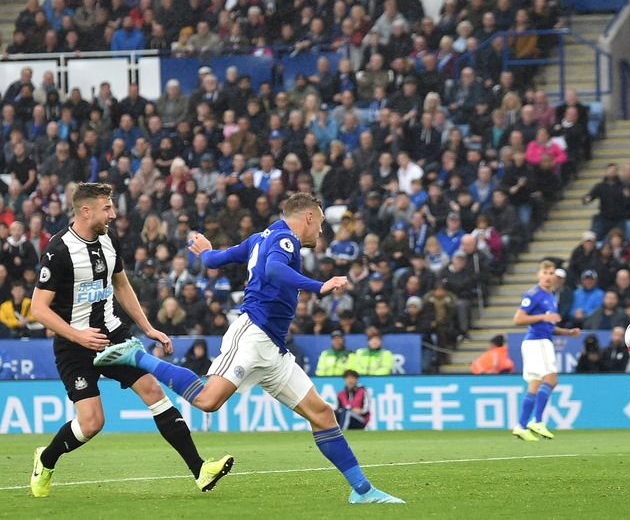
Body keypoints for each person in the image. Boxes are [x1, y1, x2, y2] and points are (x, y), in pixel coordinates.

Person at [94, 192, 403, 504]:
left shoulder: (260, 237)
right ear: (308, 216)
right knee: (207, 400)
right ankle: (138, 356)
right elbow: (274, 271)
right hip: (252, 335)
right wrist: (319, 286)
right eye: (321, 222)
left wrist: (205, 253)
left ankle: (362, 491)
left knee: (322, 413)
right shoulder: (286, 240)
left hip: (274, 349)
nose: (321, 230)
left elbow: (217, 260)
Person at [29, 183, 232, 498]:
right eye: (107, 208)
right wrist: (78, 334)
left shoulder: (110, 240)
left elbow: (121, 284)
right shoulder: (59, 251)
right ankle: (46, 458)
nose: (113, 213)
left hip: (114, 336)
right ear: (86, 211)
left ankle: (200, 470)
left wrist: (147, 327)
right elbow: (37, 309)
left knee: (153, 389)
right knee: (92, 423)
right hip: (74, 344)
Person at [511, 260, 580, 441]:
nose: (549, 276)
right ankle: (538, 421)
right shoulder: (534, 294)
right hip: (537, 342)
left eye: (551, 273)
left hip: (540, 340)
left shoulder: (551, 296)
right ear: (538, 275)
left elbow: (548, 326)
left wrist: (567, 332)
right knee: (551, 379)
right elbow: (518, 319)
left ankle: (521, 426)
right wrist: (544, 316)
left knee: (534, 385)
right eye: (545, 273)